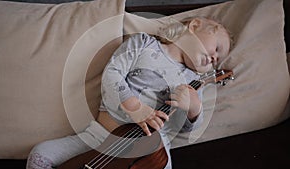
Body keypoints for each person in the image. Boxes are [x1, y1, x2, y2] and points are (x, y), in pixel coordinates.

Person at [26, 16, 231, 169]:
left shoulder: (194, 82)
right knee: (40, 154)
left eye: (218, 60)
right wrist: (135, 107)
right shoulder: (143, 43)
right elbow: (112, 74)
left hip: (147, 152)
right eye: (217, 48)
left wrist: (194, 108)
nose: (214, 59)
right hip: (98, 137)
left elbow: (185, 129)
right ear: (195, 26)